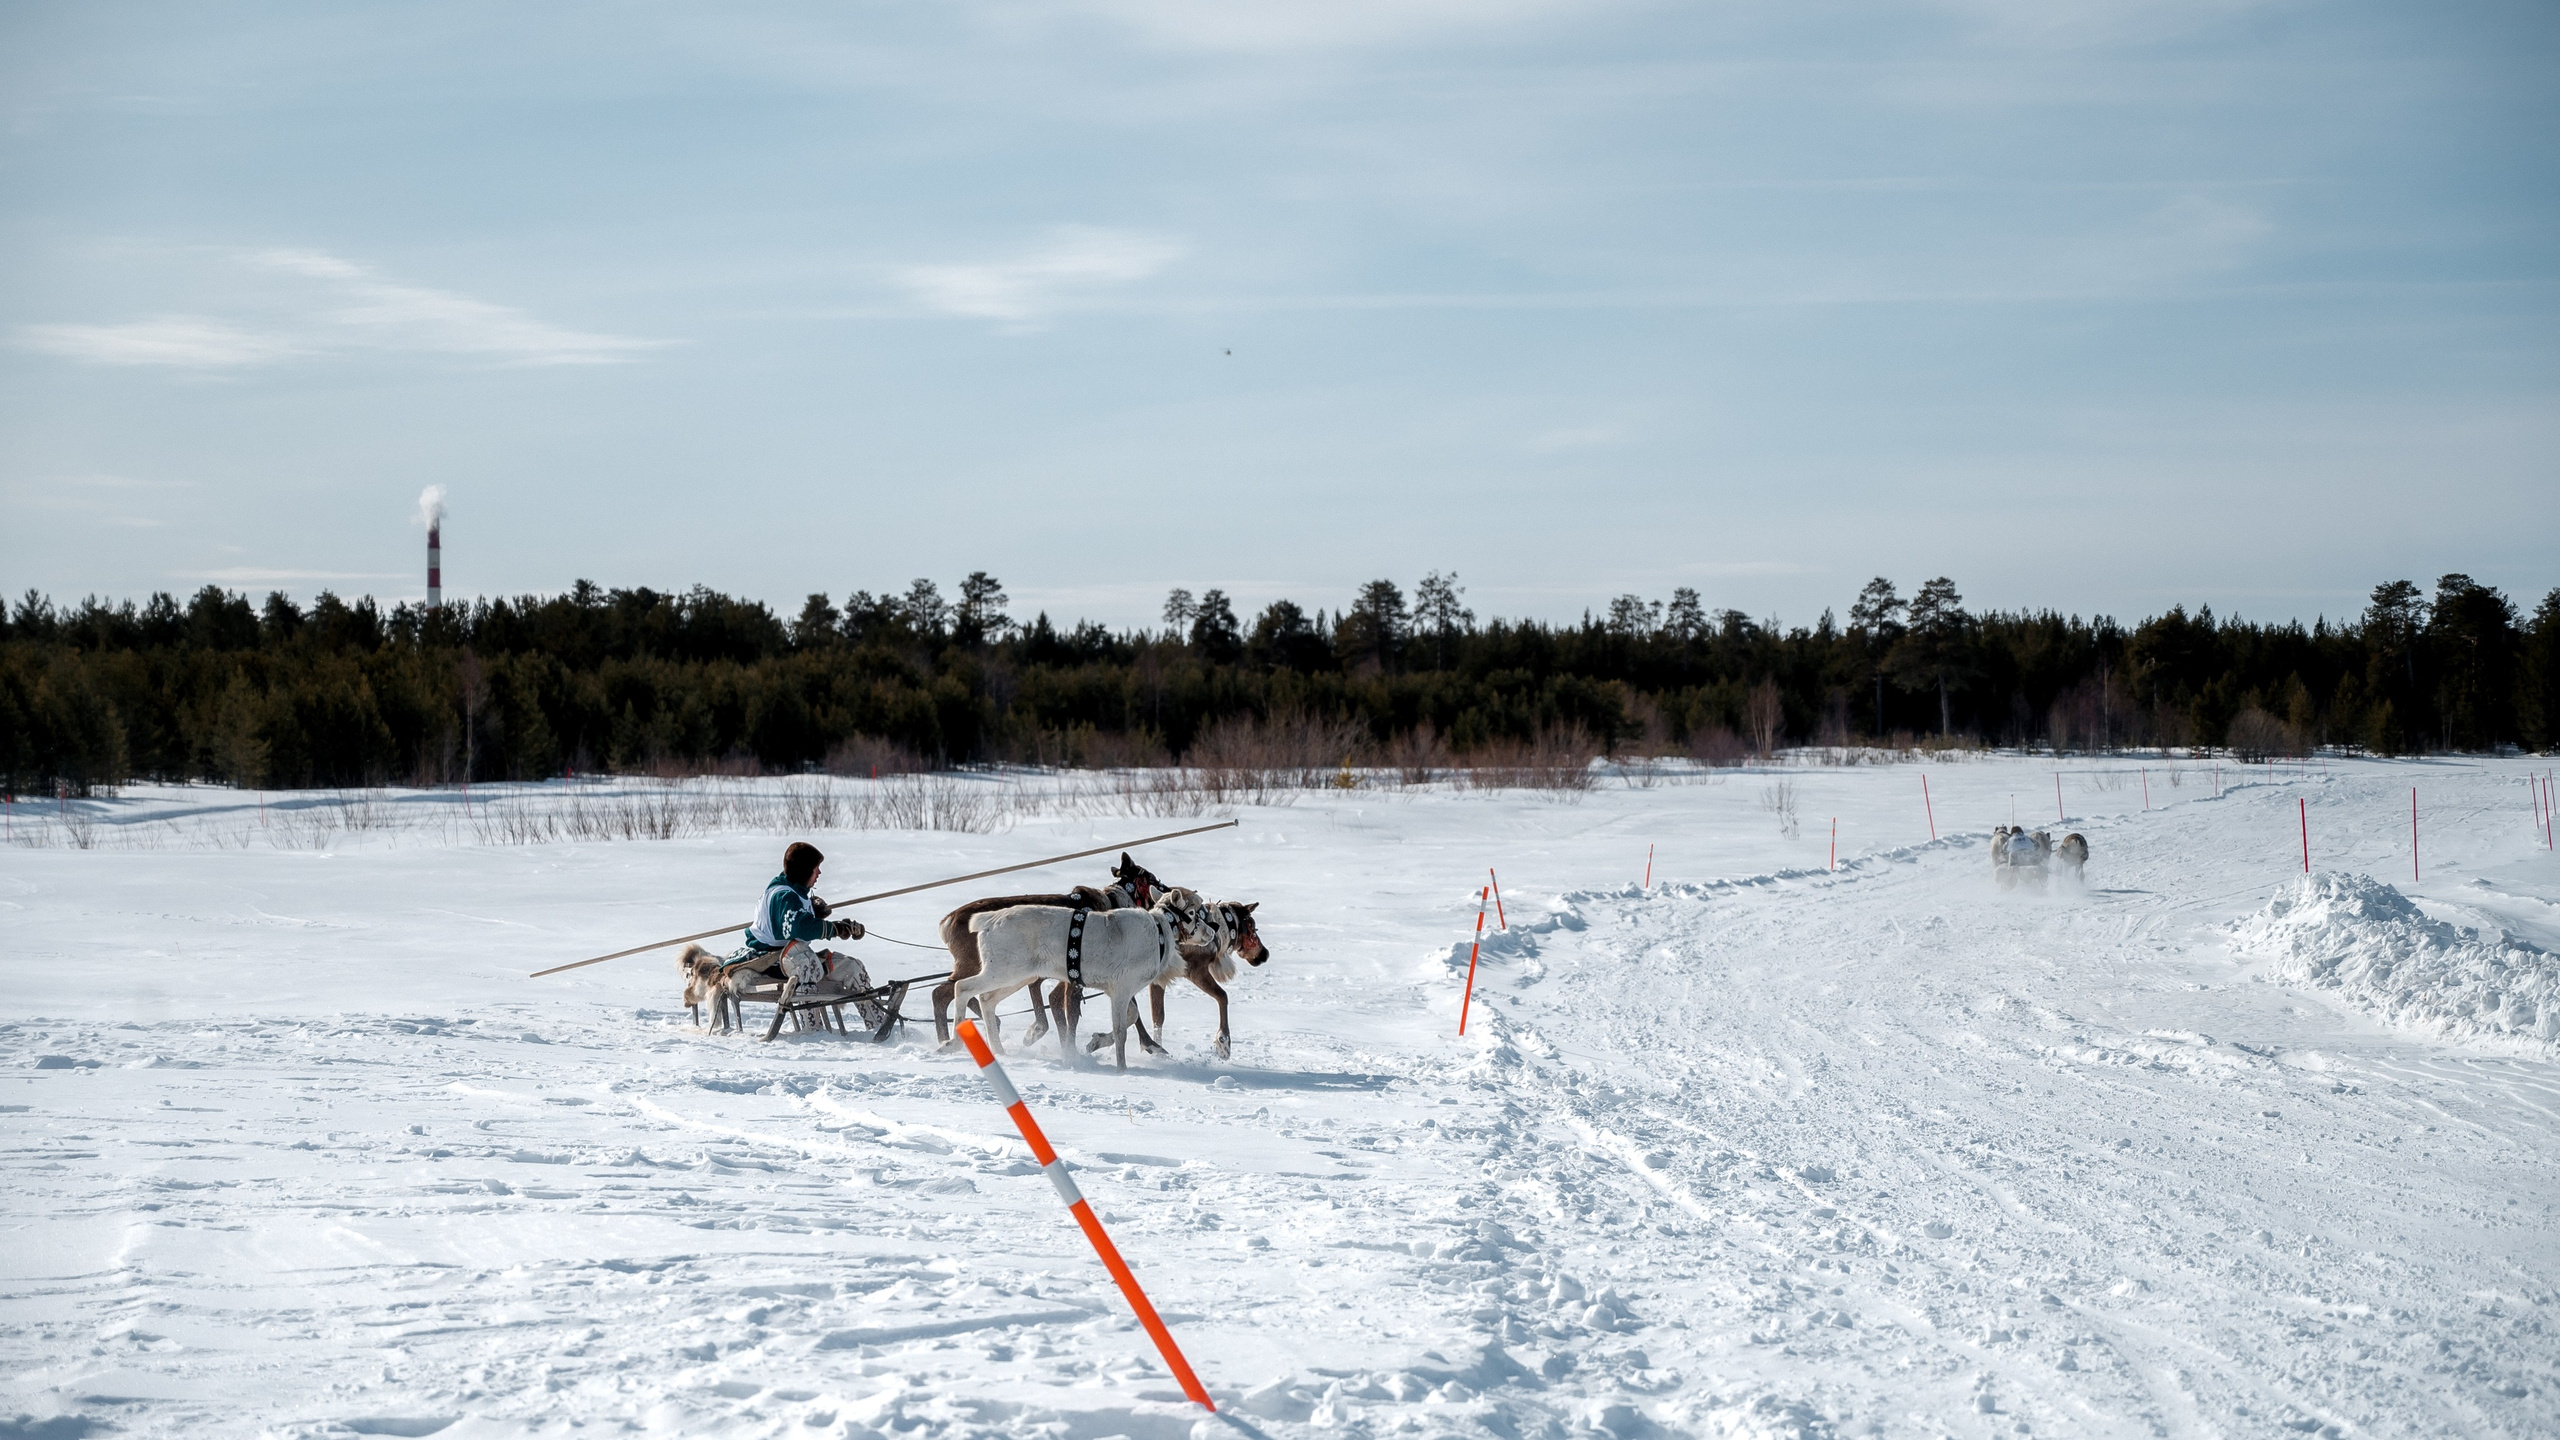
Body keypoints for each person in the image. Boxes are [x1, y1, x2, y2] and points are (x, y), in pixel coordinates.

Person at [735, 841, 863, 984]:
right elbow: (798, 927)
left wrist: (813, 912)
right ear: (804, 870)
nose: (819, 873)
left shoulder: (796, 891)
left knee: (852, 966)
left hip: (793, 957)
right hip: (770, 959)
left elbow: (794, 917)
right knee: (808, 965)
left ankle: (872, 1004)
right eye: (816, 868)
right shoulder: (783, 896)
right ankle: (802, 1005)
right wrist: (834, 929)